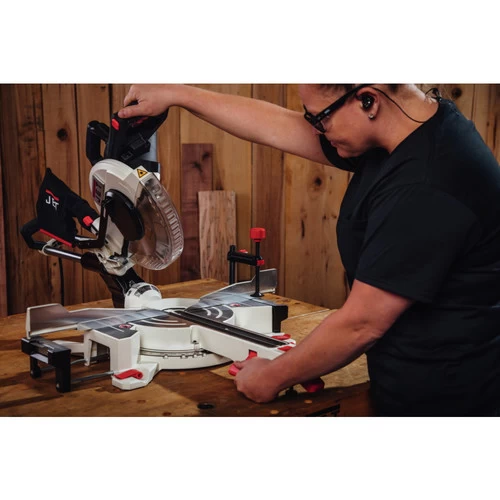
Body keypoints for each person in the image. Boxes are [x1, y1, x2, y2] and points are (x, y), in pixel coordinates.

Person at [119, 84, 500, 416]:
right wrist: (179, 94)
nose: (315, 129)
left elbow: (362, 323)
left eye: (320, 118)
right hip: (411, 374)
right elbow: (278, 125)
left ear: (368, 100)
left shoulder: (430, 183)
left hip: (445, 398)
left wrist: (272, 376)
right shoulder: (410, 128)